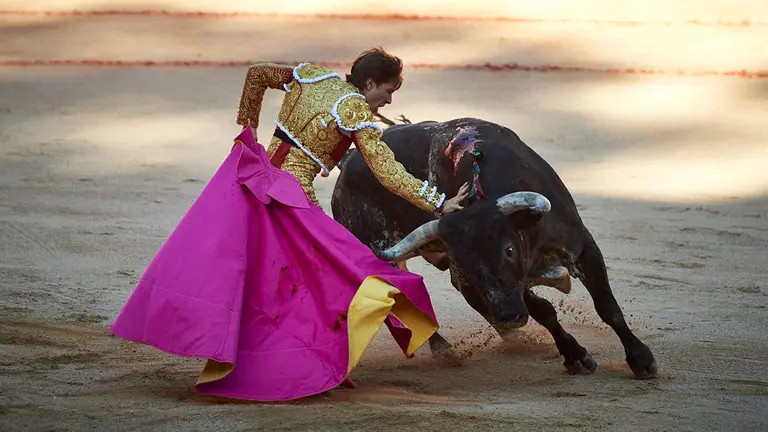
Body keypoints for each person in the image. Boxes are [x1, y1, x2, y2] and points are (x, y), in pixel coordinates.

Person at [109, 47, 469, 402]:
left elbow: (257, 74)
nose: (388, 101)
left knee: (261, 277)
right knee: (335, 275)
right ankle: (307, 361)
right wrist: (438, 202)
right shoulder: (354, 109)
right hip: (291, 199)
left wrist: (247, 132)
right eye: (389, 90)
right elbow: (385, 169)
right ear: (371, 82)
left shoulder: (314, 75)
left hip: (256, 179)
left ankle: (270, 357)